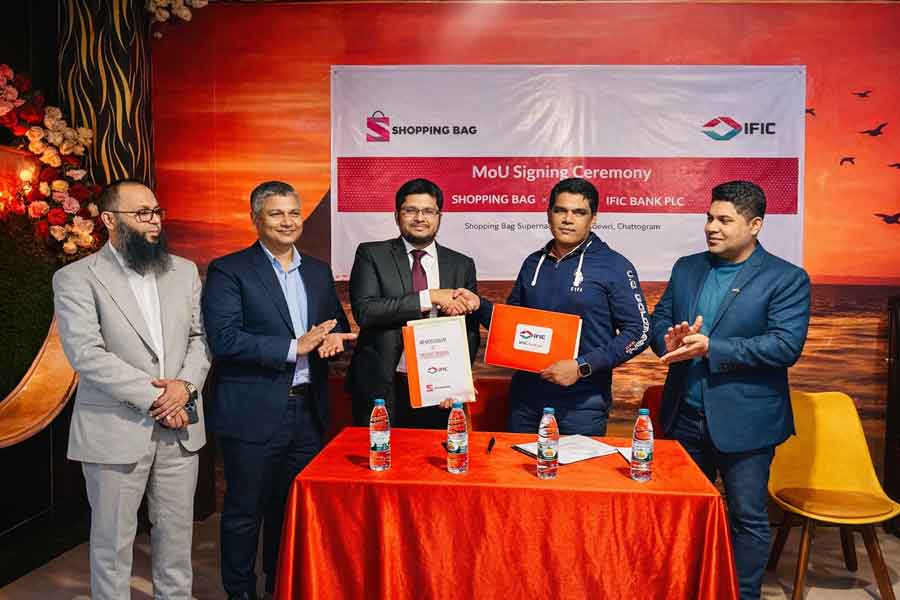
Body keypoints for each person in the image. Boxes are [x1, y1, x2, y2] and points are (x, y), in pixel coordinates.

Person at [650, 180, 810, 600]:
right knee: (685, 512)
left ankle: (742, 594)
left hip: (747, 423)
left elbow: (785, 346)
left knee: (747, 519)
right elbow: (660, 318)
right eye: (709, 217)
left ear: (754, 225)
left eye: (724, 220)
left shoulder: (787, 278)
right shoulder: (687, 267)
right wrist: (666, 339)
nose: (711, 227)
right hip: (684, 417)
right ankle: (687, 588)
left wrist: (711, 348)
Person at [52, 179, 210, 599]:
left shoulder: (184, 271)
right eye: (142, 213)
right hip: (114, 430)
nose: (154, 221)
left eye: (157, 211)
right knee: (112, 545)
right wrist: (161, 397)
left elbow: (201, 339)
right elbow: (86, 354)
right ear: (109, 220)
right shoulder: (75, 278)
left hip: (181, 429)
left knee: (177, 540)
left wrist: (185, 387)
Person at [202, 181, 354, 600]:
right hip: (252, 411)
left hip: (307, 413)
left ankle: (279, 587)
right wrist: (293, 347)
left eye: (293, 213)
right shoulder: (229, 270)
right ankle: (240, 593)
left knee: (288, 513)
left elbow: (336, 325)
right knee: (244, 513)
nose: (288, 222)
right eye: (276, 214)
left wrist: (333, 338)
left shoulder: (317, 271)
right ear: (256, 219)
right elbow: (224, 339)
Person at [468, 177, 650, 435]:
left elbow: (640, 332)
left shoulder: (615, 266)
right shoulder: (533, 263)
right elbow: (511, 326)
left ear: (593, 218)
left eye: (579, 212)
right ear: (548, 214)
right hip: (525, 402)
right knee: (516, 463)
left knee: (578, 464)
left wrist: (581, 367)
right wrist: (479, 305)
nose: (568, 219)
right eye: (560, 210)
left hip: (582, 406)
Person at [347, 178, 480, 429]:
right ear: (397, 215)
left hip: (440, 388)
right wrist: (429, 297)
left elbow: (469, 330)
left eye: (428, 211)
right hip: (383, 385)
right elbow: (365, 311)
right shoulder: (372, 254)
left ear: (439, 217)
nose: (420, 218)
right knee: (380, 453)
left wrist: (459, 379)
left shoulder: (461, 264)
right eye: (411, 210)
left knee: (433, 452)